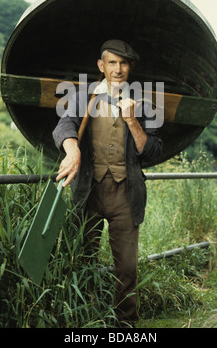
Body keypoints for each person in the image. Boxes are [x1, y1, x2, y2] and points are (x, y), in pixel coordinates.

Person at [53, 39, 163, 327]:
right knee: (81, 260)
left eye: (123, 63)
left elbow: (152, 150)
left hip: (126, 194)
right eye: (111, 63)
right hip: (87, 191)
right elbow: (64, 124)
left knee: (126, 267)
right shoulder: (83, 96)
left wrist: (132, 121)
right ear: (101, 66)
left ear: (131, 68)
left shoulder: (145, 103)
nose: (117, 69)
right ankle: (82, 320)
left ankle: (125, 326)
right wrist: (72, 148)